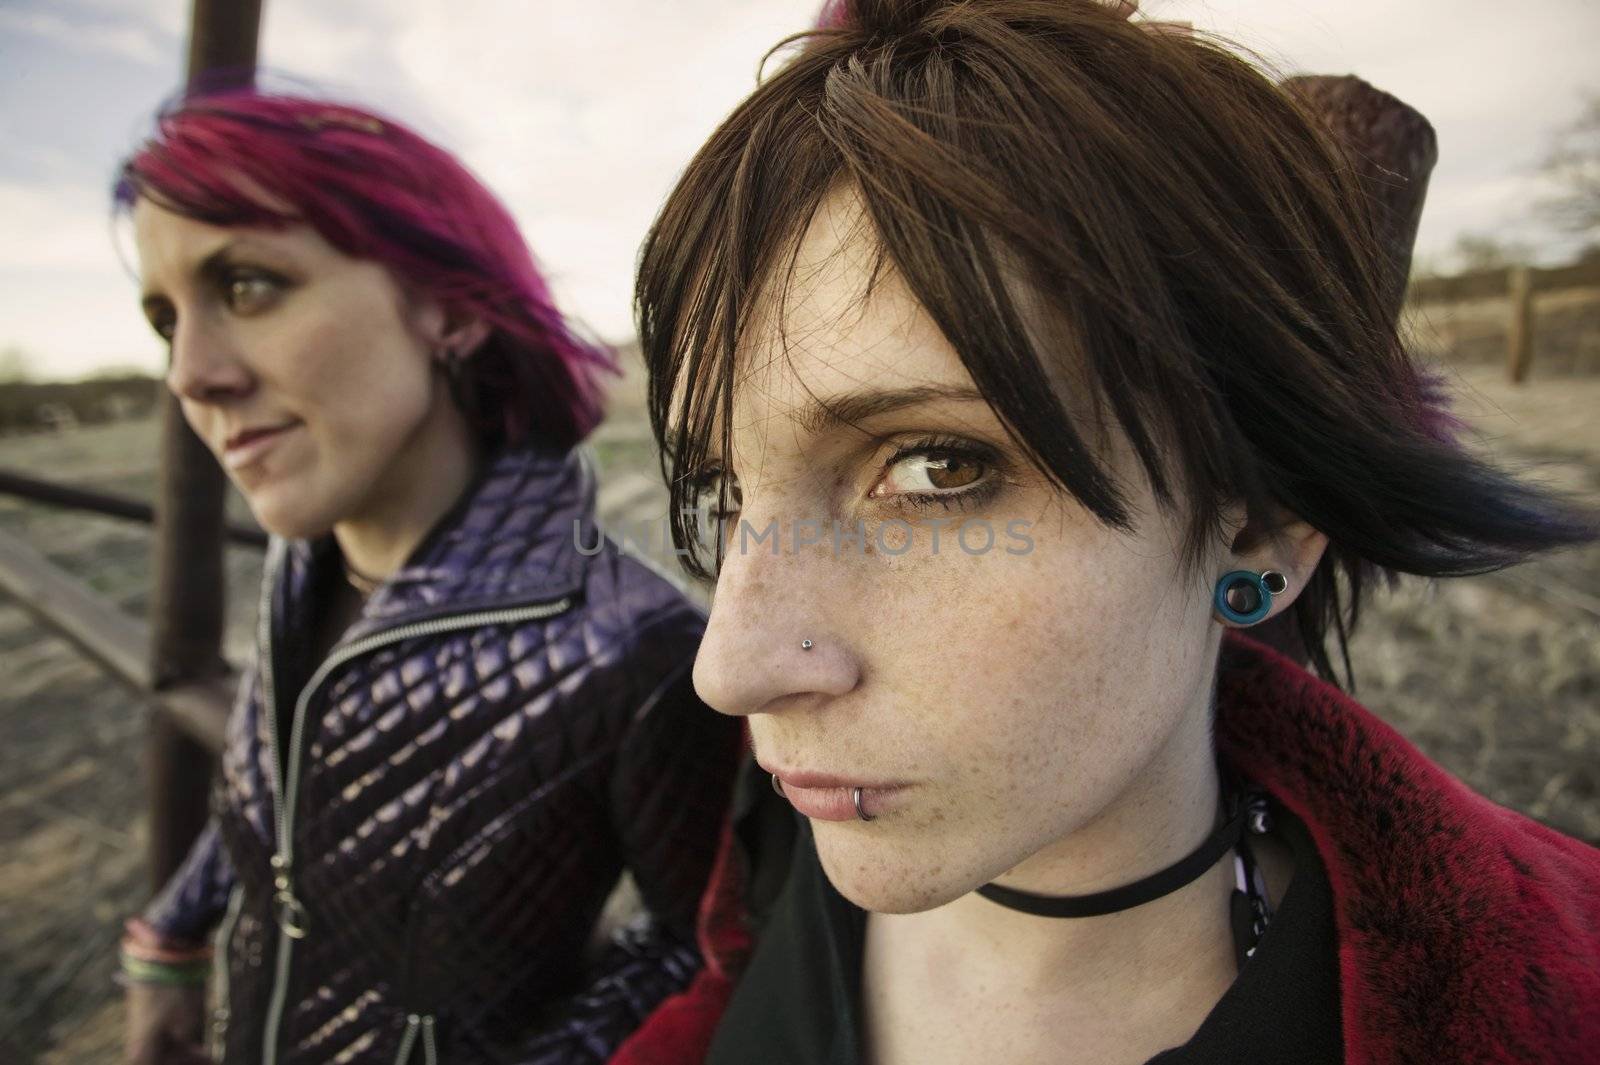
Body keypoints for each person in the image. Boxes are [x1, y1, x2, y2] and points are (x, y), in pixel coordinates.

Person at [611, 1, 1600, 1062]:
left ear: (1260, 531)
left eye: (936, 468)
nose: (734, 668)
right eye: (723, 493)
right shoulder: (772, 851)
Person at [113, 90, 738, 1065]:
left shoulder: (636, 647)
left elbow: (698, 948)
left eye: (245, 286)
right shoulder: (300, 570)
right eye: (165, 318)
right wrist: (168, 940)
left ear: (445, 306)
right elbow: (270, 793)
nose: (188, 374)